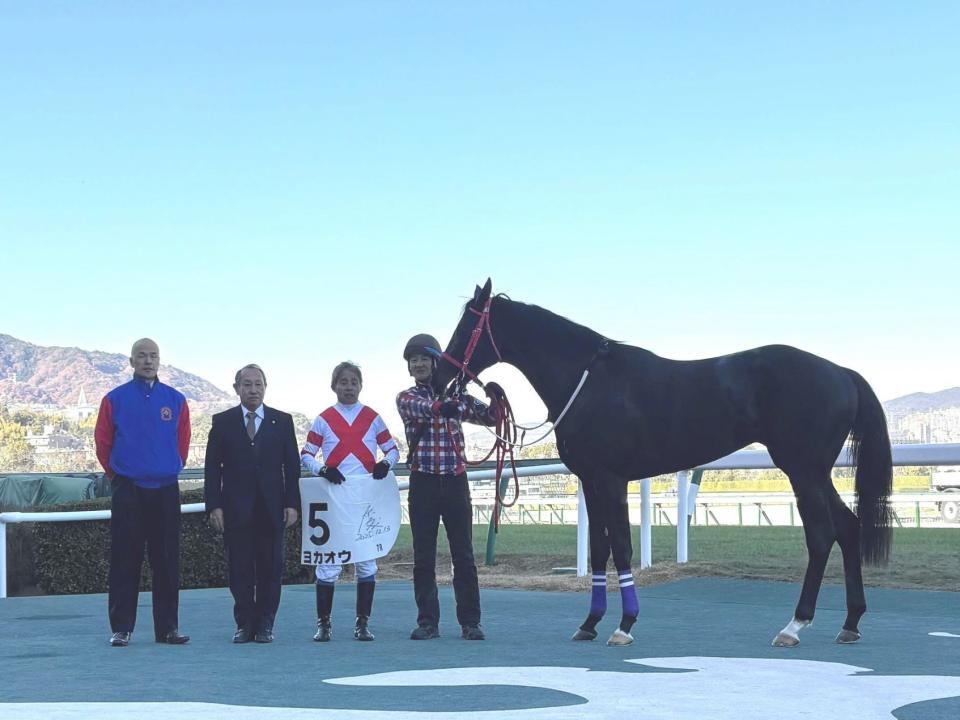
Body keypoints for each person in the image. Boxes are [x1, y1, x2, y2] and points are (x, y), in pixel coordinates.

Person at [396, 334, 496, 641]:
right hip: (423, 481)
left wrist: (495, 397)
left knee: (463, 554)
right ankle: (428, 622)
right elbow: (431, 408)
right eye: (414, 360)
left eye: (424, 358)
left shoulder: (458, 396)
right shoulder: (406, 397)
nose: (419, 364)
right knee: (423, 556)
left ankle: (470, 622)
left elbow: (490, 417)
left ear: (436, 362)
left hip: (455, 480)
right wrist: (452, 403)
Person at [94, 338, 191, 647]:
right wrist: (119, 475)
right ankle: (121, 628)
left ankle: (168, 629)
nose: (148, 361)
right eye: (142, 356)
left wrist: (168, 467)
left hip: (165, 489)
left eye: (153, 356)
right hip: (129, 490)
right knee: (125, 559)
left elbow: (183, 443)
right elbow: (103, 442)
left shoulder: (175, 400)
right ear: (131, 361)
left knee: (166, 561)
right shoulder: (114, 399)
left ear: (160, 360)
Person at [301, 361, 399, 642]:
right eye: (343, 382)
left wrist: (385, 465)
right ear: (334, 386)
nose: (348, 387)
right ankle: (324, 623)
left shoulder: (372, 417)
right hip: (335, 499)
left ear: (360, 385)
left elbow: (393, 450)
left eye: (353, 382)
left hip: (366, 500)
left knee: (367, 564)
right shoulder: (324, 419)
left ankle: (363, 623)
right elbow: (306, 454)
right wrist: (323, 469)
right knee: (328, 564)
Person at [204, 364, 301, 643]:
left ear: (265, 387)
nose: (253, 389)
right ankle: (244, 623)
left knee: (271, 568)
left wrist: (292, 503)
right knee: (240, 569)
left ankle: (266, 624)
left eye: (258, 384)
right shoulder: (222, 422)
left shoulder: (282, 422)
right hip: (236, 509)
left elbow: (291, 467)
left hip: (272, 509)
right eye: (247, 384)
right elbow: (213, 469)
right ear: (237, 389)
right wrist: (214, 505)